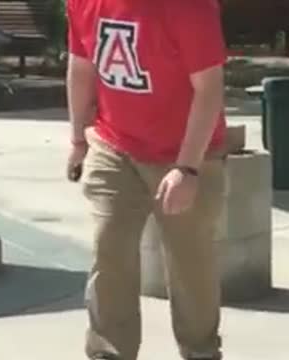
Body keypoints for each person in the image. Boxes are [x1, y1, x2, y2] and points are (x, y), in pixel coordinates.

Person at [65, 0, 228, 359]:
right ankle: (109, 352)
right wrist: (78, 139)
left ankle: (200, 352)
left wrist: (187, 169)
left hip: (187, 150)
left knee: (190, 264)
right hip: (115, 145)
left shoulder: (189, 8)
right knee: (110, 248)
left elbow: (209, 88)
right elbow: (81, 67)